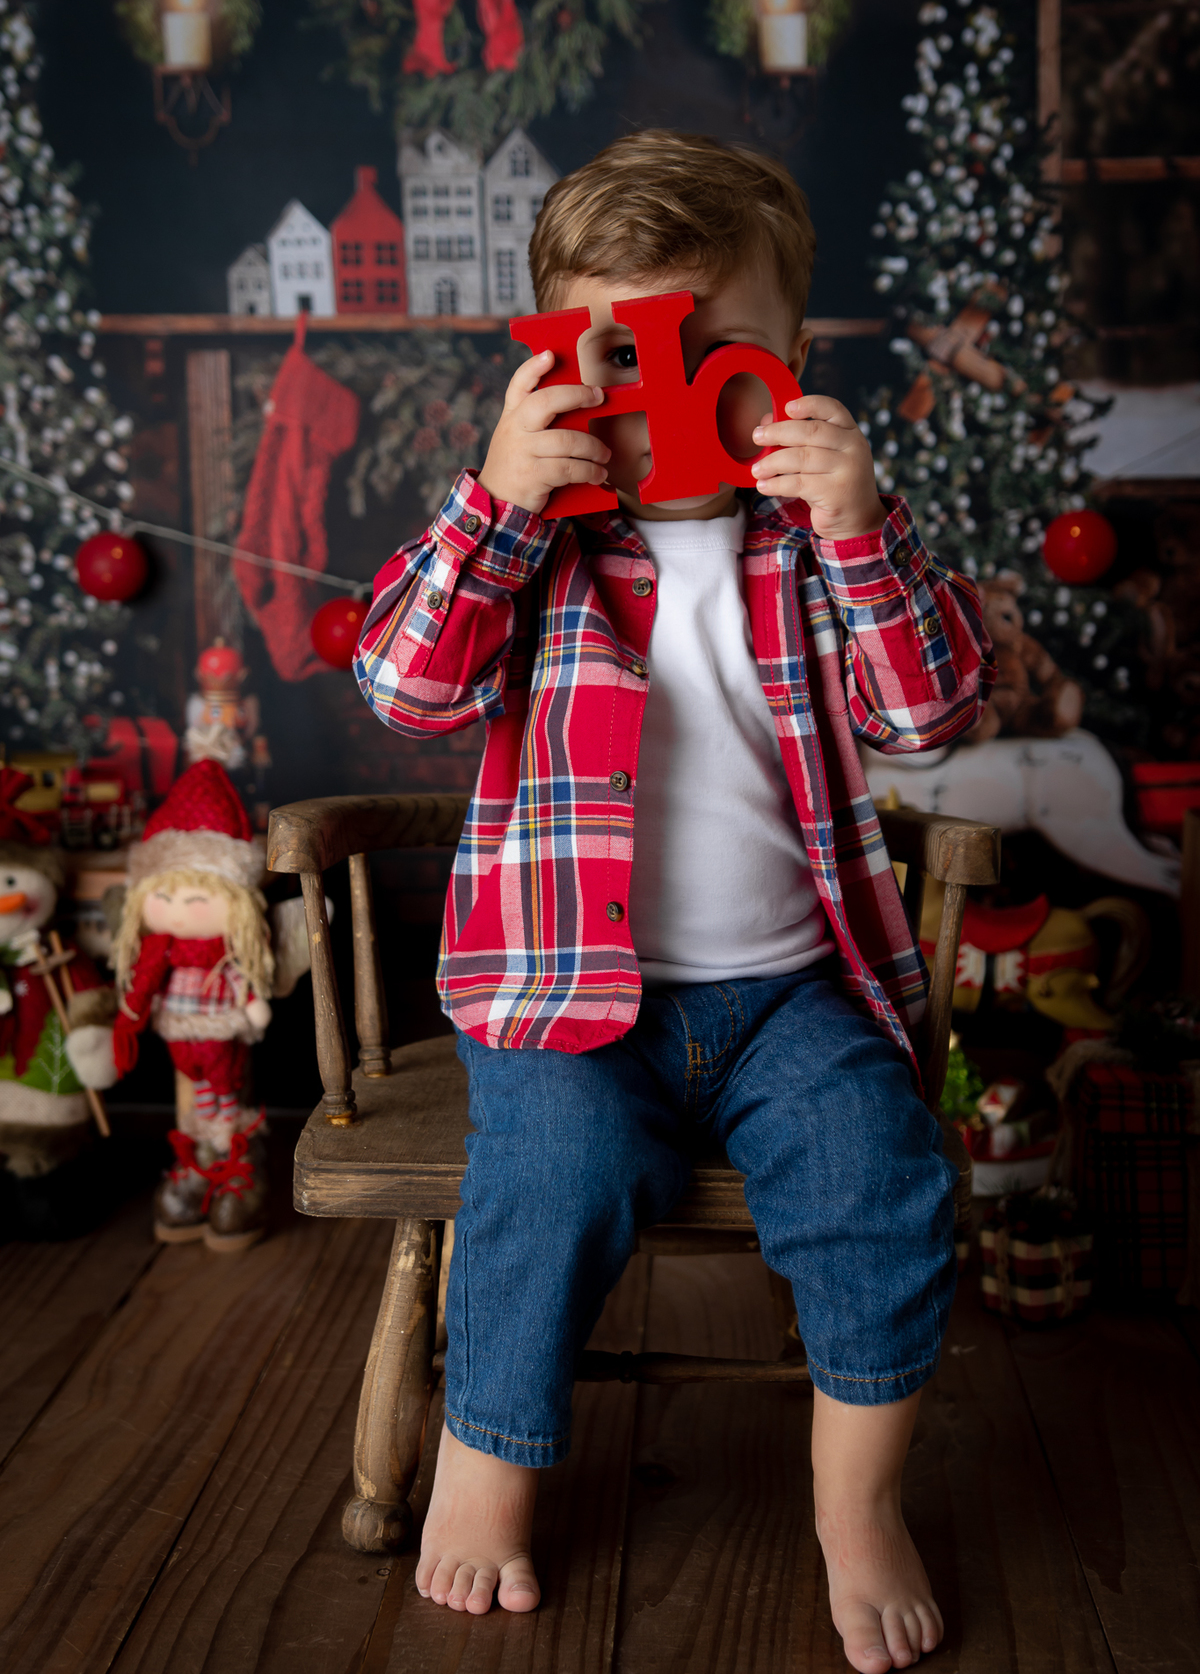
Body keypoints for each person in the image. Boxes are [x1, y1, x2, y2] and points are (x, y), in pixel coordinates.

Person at [356, 129, 994, 1673]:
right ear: (567, 365)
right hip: (572, 998)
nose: (670, 400)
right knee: (549, 1182)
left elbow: (932, 720)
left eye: (717, 355)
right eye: (627, 358)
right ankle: (487, 1470)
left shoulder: (812, 545)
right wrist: (497, 500)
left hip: (793, 994)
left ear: (788, 357)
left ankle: (859, 1509)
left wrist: (862, 524)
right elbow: (403, 685)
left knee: (877, 1181)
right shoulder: (539, 548)